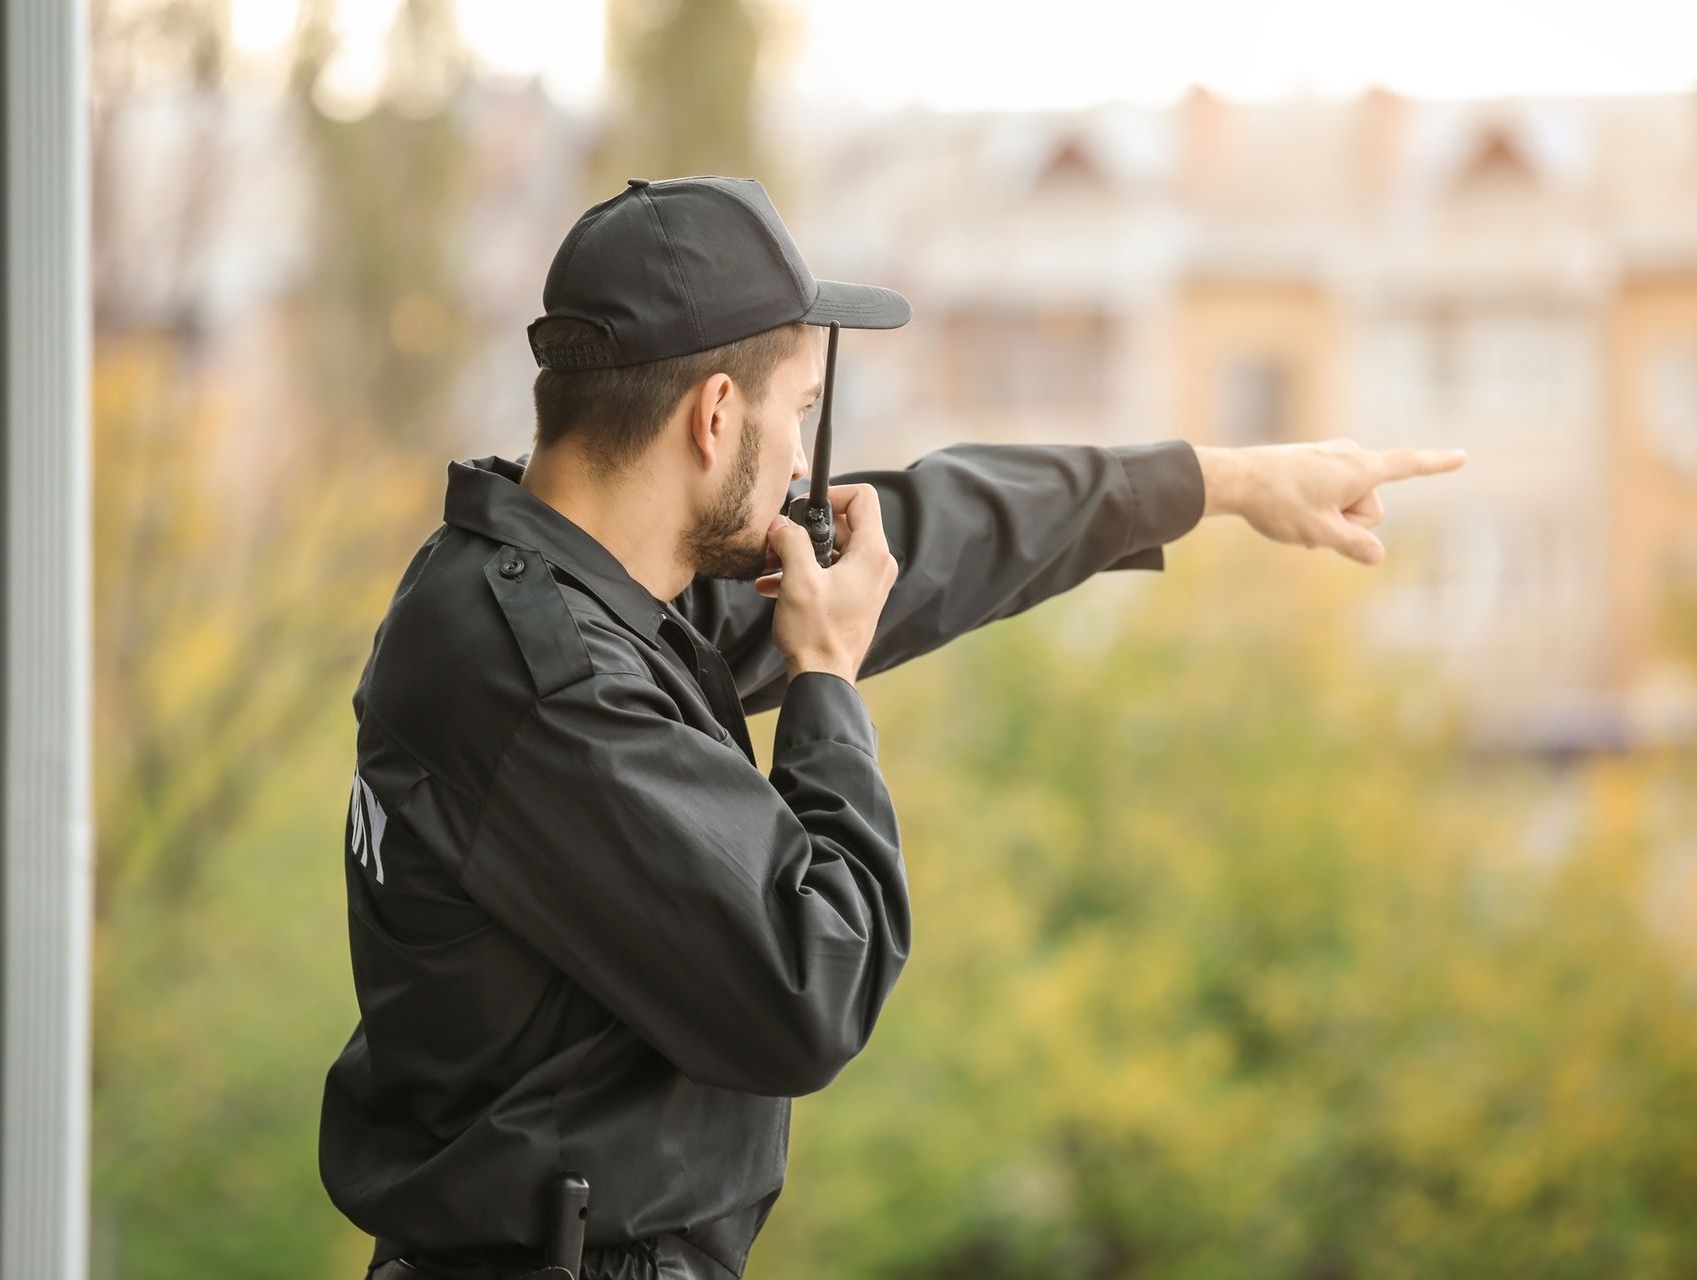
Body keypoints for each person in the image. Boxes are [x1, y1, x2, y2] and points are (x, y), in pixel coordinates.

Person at [318, 175, 1468, 1280]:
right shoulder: (551, 683)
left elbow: (917, 540)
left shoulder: (527, 583)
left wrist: (1215, 482)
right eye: (800, 414)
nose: (807, 466)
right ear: (718, 417)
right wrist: (825, 680)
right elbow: (813, 980)